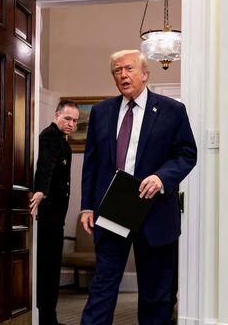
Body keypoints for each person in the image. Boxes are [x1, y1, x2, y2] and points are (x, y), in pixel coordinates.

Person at [80, 50, 197, 325]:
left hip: (155, 211)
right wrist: (87, 206)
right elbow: (91, 163)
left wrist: (162, 178)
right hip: (112, 210)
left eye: (129, 68)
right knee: (102, 288)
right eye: (117, 70)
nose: (123, 75)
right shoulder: (101, 111)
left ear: (145, 74)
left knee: (155, 294)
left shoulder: (172, 110)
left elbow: (186, 153)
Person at [31, 100, 79, 325]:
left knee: (51, 269)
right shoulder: (51, 135)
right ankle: (46, 319)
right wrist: (41, 190)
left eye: (75, 121)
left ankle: (49, 318)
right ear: (56, 116)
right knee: (47, 270)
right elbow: (46, 163)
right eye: (67, 118)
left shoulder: (62, 140)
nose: (71, 124)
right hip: (48, 216)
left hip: (56, 217)